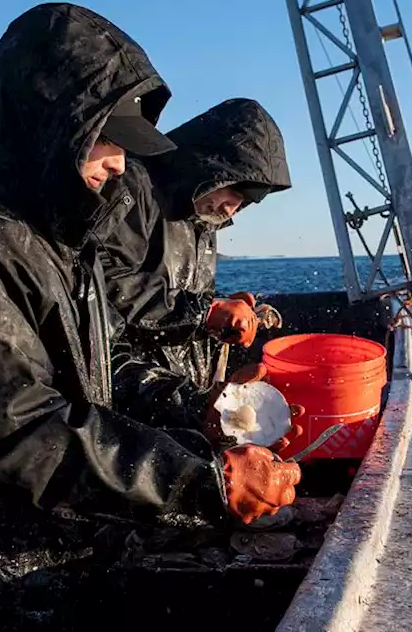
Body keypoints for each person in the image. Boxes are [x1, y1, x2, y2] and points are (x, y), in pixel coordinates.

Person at [0, 3, 300, 630]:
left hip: (49, 561)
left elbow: (102, 362)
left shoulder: (50, 235)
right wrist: (202, 480)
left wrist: (192, 410)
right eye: (108, 139)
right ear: (45, 125)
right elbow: (16, 428)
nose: (122, 164)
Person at [99, 99, 298, 446]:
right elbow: (102, 282)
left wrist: (219, 309)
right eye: (233, 189)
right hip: (126, 407)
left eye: (246, 200)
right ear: (210, 165)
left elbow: (178, 295)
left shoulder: (203, 218)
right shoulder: (132, 187)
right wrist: (205, 312)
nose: (232, 207)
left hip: (177, 403)